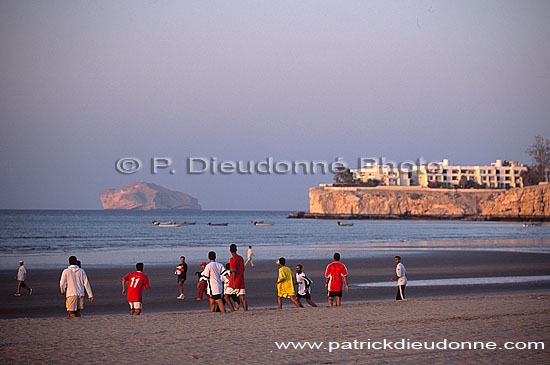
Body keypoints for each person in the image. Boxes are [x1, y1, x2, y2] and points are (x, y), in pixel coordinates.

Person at [226, 244, 248, 311]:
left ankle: (233, 310)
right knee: (242, 298)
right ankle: (245, 310)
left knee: (226, 297)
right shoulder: (241, 258)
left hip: (235, 280)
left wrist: (233, 282)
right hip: (241, 280)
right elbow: (243, 269)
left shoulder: (232, 259)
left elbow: (233, 271)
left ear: (230, 251)